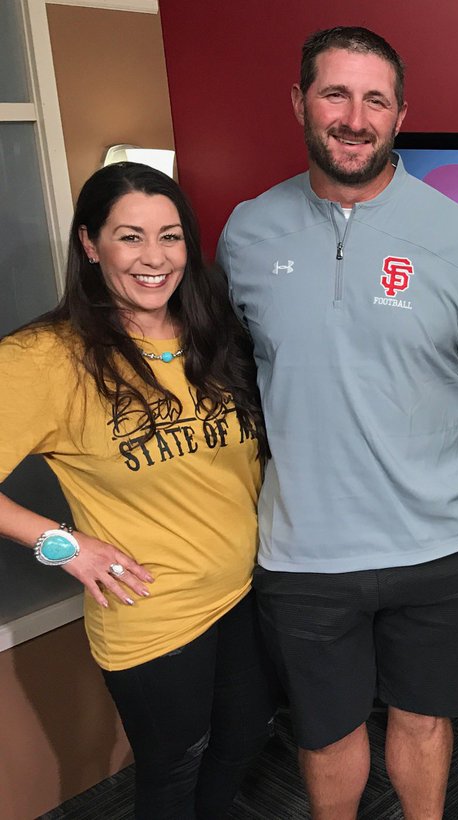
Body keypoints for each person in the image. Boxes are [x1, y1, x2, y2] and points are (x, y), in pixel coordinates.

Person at [216, 26, 458, 820]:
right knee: (325, 732)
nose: (354, 118)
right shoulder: (247, 232)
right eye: (335, 95)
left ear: (400, 115)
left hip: (441, 543)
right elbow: (232, 380)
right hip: (304, 551)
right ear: (299, 102)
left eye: (375, 100)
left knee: (423, 721)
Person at [0, 162, 275, 819]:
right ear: (90, 244)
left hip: (243, 592)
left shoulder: (213, 335)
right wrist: (65, 547)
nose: (155, 258)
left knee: (242, 739)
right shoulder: (45, 358)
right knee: (175, 768)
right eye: (130, 237)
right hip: (152, 612)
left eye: (170, 236)